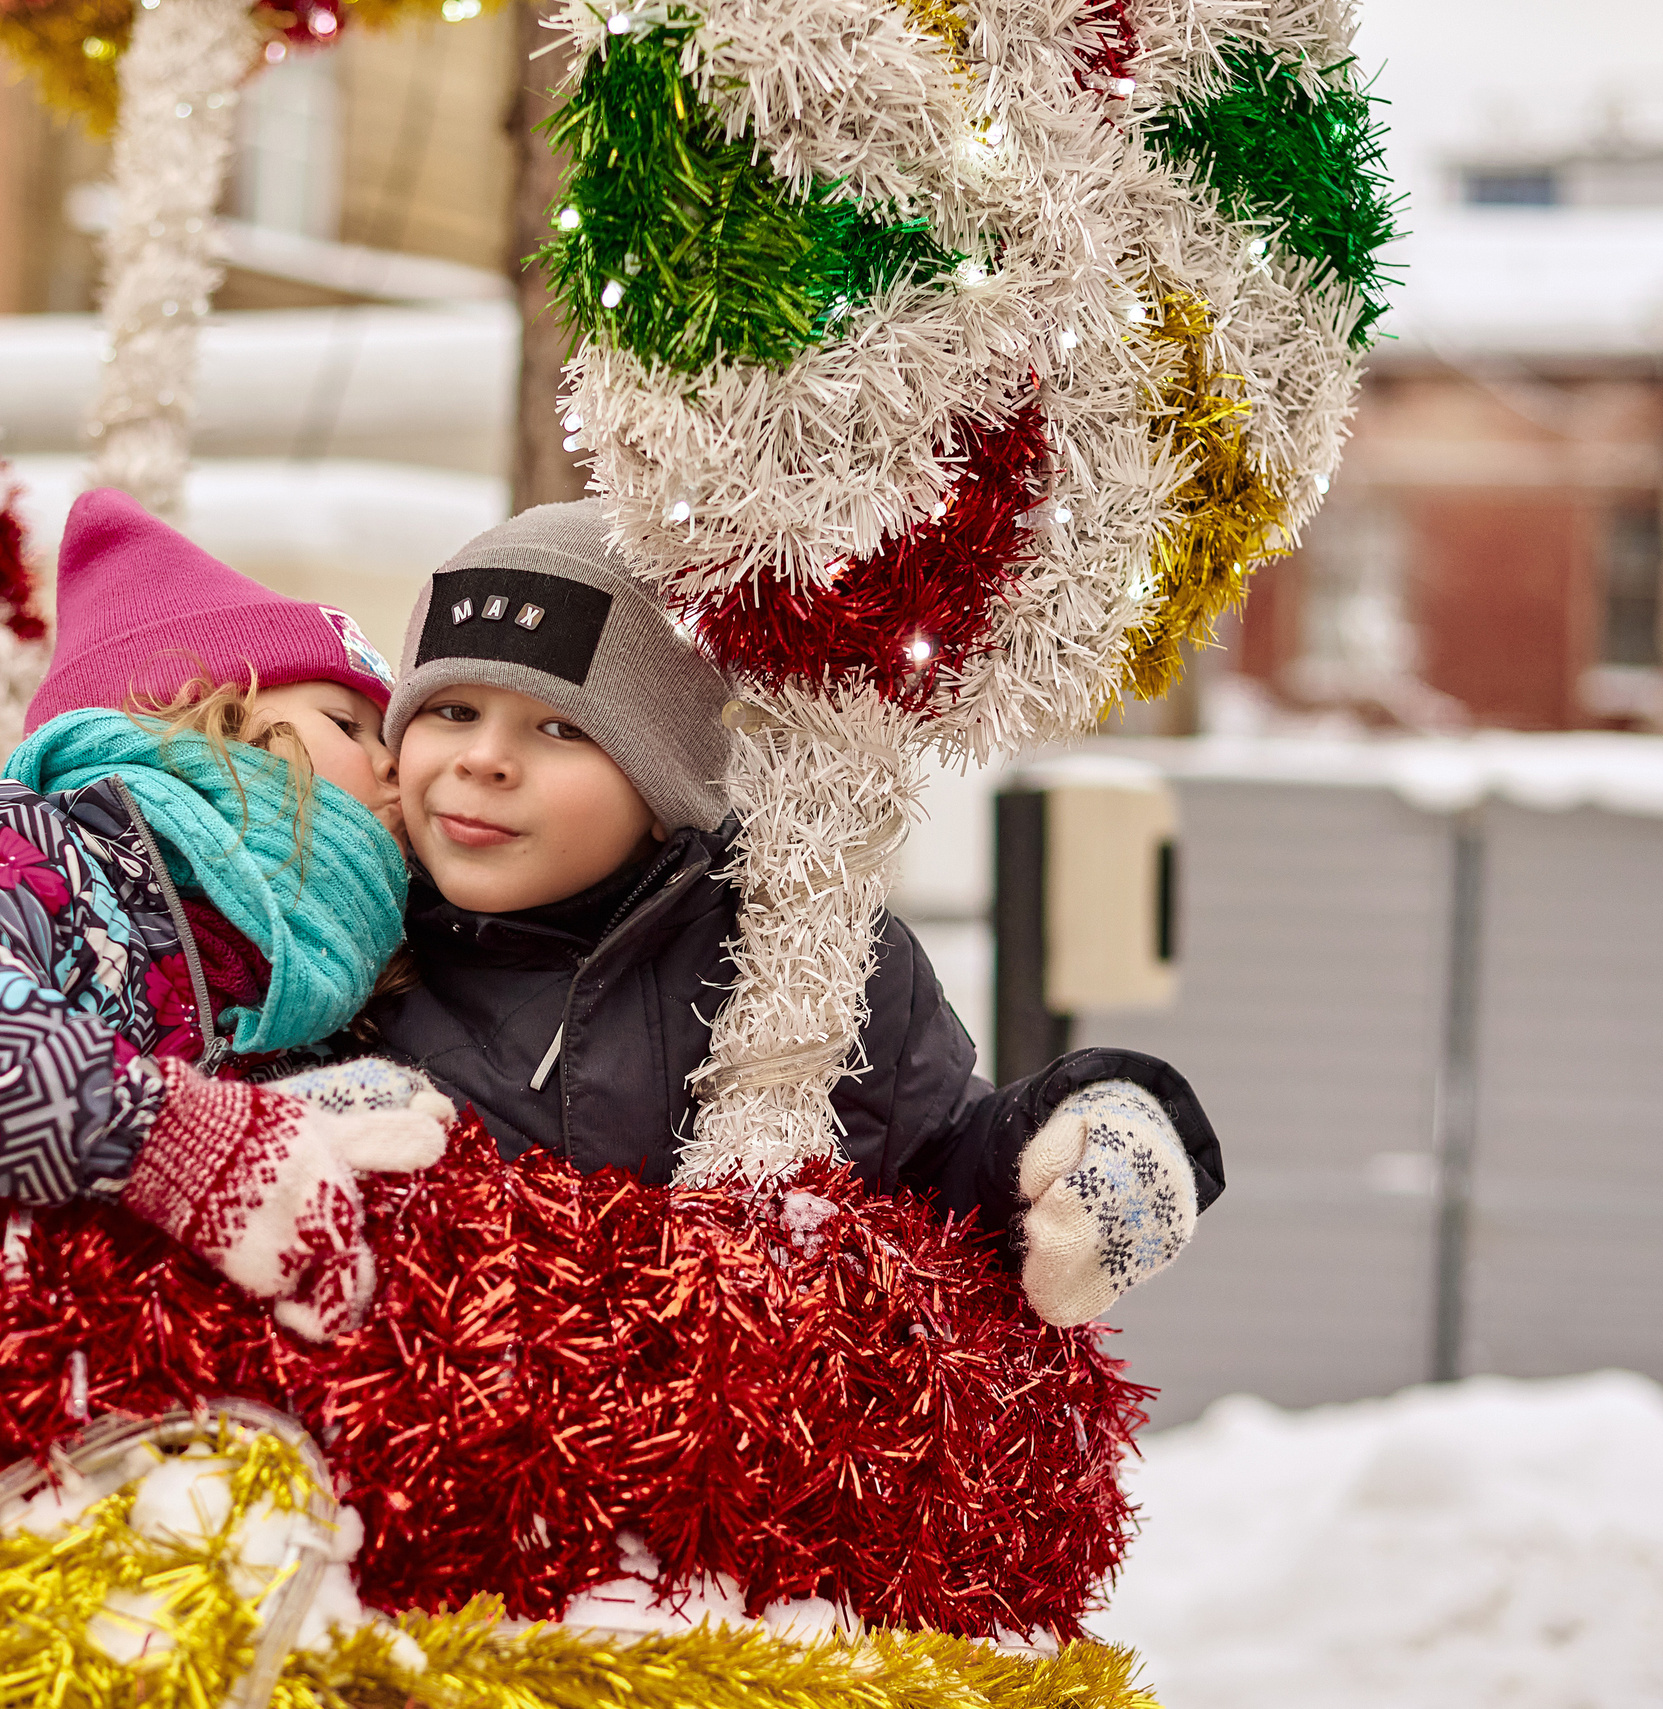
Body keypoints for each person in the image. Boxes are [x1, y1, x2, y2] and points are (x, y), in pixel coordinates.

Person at [366, 500, 1223, 1326]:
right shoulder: (348, 957)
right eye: (452, 711)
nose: (483, 759)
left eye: (560, 729)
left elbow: (941, 1167)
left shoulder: (806, 959)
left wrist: (1075, 1141)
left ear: (664, 784)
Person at [0, 489, 452, 1339]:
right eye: (348, 721)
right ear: (202, 720)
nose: (394, 767)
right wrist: (170, 1141)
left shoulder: (297, 994)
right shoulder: (44, 849)